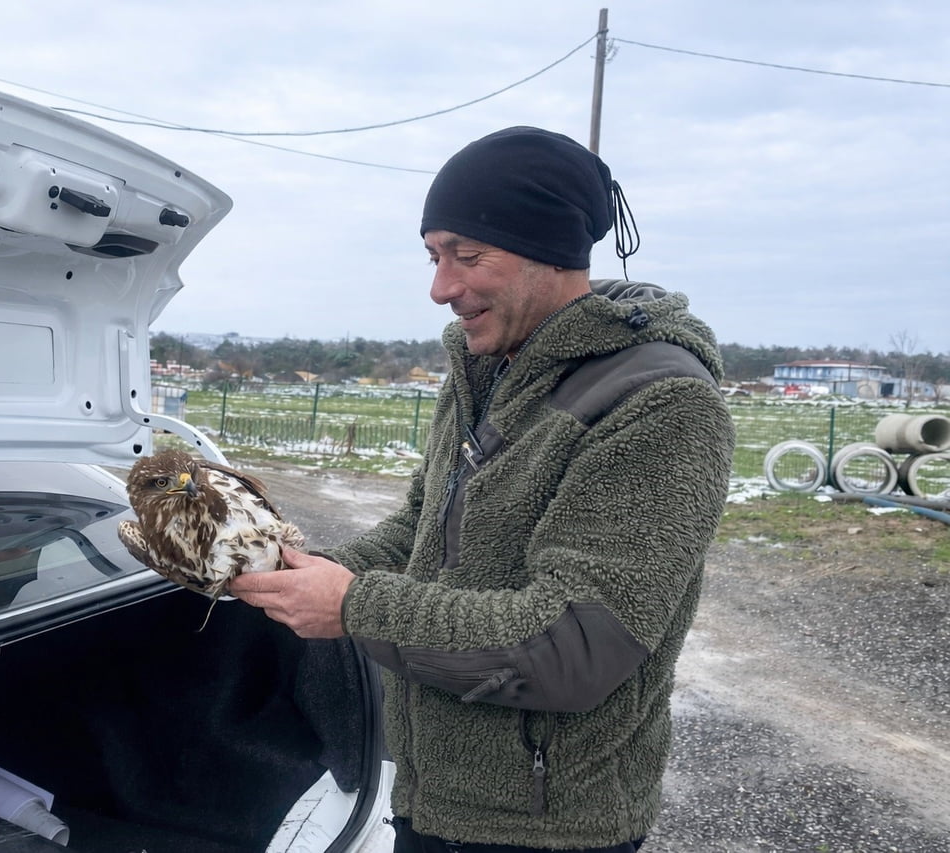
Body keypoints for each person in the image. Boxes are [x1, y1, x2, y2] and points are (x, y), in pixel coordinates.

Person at [229, 126, 735, 853]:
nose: (441, 287)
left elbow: (573, 646)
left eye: (468, 255)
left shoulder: (660, 404)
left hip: (543, 826)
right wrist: (291, 570)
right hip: (429, 793)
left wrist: (351, 604)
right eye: (434, 255)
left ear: (549, 251)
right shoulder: (483, 368)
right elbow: (417, 530)